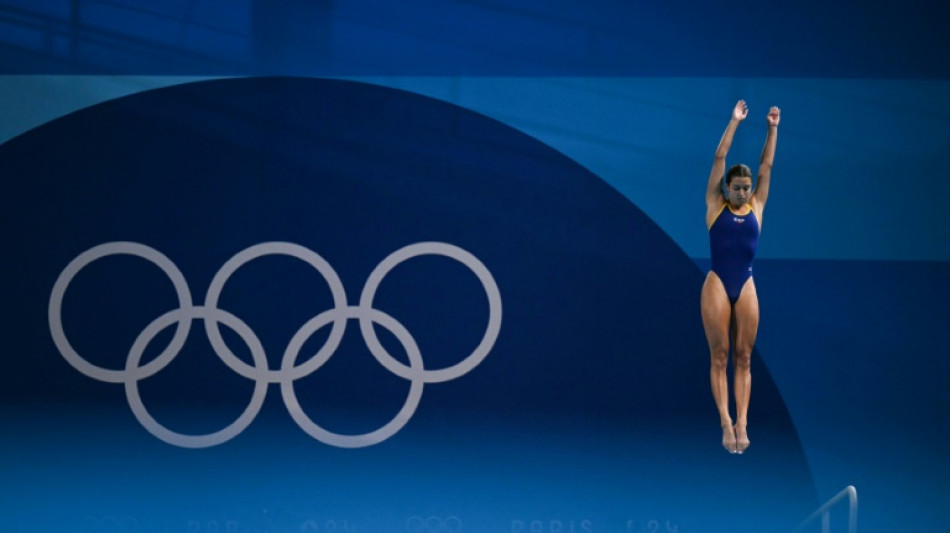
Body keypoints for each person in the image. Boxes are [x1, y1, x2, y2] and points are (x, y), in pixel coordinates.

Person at [701, 100, 780, 454]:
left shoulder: (757, 208)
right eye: (737, 187)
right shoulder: (715, 205)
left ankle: (743, 421)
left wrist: (772, 128)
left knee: (744, 356)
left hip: (745, 283)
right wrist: (733, 122)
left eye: (747, 188)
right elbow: (719, 159)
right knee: (720, 354)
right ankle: (724, 421)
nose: (744, 192)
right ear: (727, 189)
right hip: (718, 281)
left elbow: (766, 165)